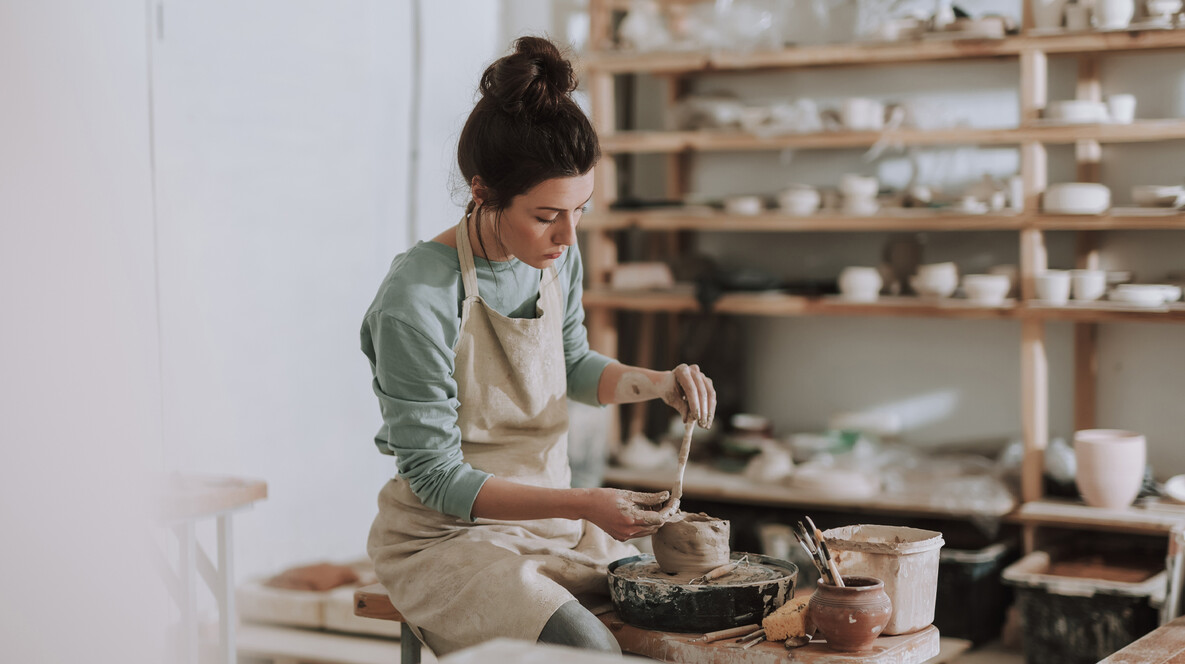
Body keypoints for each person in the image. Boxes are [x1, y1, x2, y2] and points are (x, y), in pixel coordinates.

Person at [361, 36, 717, 656]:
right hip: (448, 540)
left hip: (556, 526)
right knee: (589, 647)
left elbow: (573, 365)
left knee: (681, 623)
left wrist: (656, 382)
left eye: (581, 209)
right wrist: (586, 502)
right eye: (548, 214)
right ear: (483, 191)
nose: (569, 236)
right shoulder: (416, 299)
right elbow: (437, 477)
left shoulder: (554, 259)